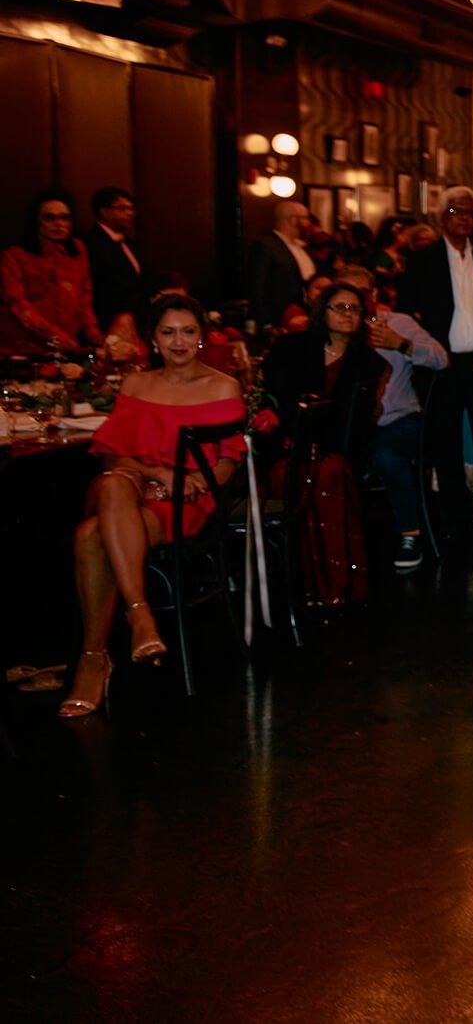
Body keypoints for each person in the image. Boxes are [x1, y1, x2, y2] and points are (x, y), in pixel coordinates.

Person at [57, 294, 246, 716]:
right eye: (168, 332)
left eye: (188, 331)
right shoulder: (136, 385)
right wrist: (160, 475)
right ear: (153, 340)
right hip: (137, 491)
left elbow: (226, 466)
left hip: (185, 506)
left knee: (90, 535)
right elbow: (110, 453)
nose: (178, 341)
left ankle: (94, 659)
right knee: (112, 484)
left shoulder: (222, 385)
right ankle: (140, 615)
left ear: (201, 337)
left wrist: (185, 482)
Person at [261, 281, 387, 605]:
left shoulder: (368, 363)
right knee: (289, 476)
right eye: (340, 308)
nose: (348, 315)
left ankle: (332, 584)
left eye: (355, 309)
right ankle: (294, 583)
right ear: (323, 311)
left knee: (328, 474)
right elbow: (275, 400)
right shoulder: (292, 348)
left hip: (339, 450)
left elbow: (360, 422)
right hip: (289, 445)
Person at [404, 186, 473, 531]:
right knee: (444, 437)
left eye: (470, 213)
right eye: (456, 212)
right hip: (442, 363)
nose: (464, 219)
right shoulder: (423, 260)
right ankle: (455, 513)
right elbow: (407, 313)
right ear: (442, 217)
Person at [337, 266, 444, 571]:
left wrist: (402, 344)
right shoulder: (333, 329)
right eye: (345, 297)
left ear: (374, 294)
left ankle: (410, 534)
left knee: (385, 452)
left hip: (399, 418)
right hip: (347, 424)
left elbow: (440, 358)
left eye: (361, 294)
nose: (352, 304)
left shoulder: (396, 323)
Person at [2, 188, 103, 354]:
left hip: (69, 351)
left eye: (65, 218)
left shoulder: (77, 251)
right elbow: (18, 307)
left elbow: (84, 301)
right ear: (36, 222)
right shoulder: (14, 257)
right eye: (50, 218)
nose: (59, 224)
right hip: (26, 350)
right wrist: (58, 338)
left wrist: (96, 338)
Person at [83, 187, 145, 338]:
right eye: (123, 208)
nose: (130, 213)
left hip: (133, 324)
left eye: (131, 208)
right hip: (106, 325)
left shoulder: (129, 243)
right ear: (104, 211)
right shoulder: (90, 243)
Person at [245, 199, 316, 330]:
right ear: (292, 220)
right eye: (305, 218)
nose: (309, 223)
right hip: (278, 321)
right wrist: (266, 323)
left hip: (301, 319)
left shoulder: (302, 247)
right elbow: (256, 287)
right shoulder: (266, 246)